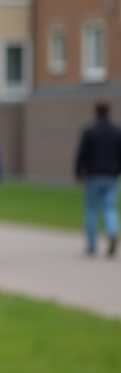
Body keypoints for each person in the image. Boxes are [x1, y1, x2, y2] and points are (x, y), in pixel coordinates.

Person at [74, 100, 121, 257]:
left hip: (93, 174)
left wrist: (78, 172)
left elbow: (82, 154)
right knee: (110, 207)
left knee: (91, 210)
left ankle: (92, 245)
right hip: (112, 175)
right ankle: (112, 231)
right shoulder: (117, 131)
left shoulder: (89, 130)